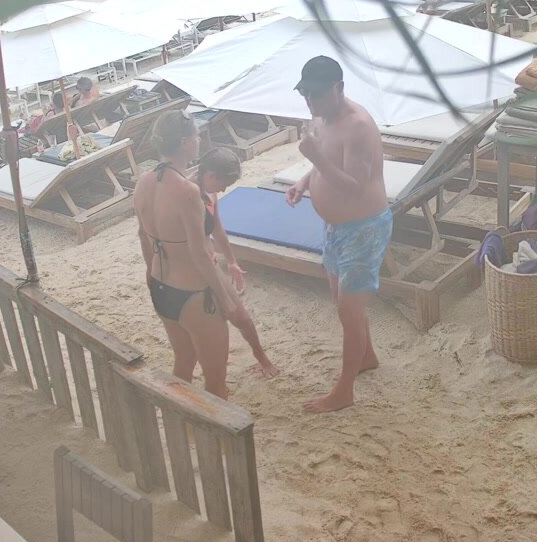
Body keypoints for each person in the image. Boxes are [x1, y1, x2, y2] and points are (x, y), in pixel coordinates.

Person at [284, 55, 390, 412]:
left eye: (316, 94)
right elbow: (327, 161)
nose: (310, 102)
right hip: (336, 226)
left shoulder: (358, 126)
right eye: (305, 94)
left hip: (364, 227)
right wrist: (304, 181)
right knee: (341, 301)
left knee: (349, 310)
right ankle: (367, 356)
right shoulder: (322, 117)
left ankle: (344, 392)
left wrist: (315, 158)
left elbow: (355, 187)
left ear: (338, 88)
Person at [134, 111, 246, 399]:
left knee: (183, 363)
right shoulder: (187, 190)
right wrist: (224, 298)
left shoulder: (143, 181)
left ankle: (178, 420)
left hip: (160, 286)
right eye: (196, 136)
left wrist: (150, 271)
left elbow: (143, 236)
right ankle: (213, 430)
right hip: (193, 293)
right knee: (216, 381)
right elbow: (199, 252)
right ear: (185, 143)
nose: (199, 140)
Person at [193, 148, 278, 378]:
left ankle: (260, 356)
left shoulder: (210, 195)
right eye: (223, 184)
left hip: (210, 263)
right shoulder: (187, 196)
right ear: (210, 175)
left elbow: (217, 229)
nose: (223, 190)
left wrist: (231, 261)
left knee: (242, 318)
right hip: (190, 269)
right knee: (205, 331)